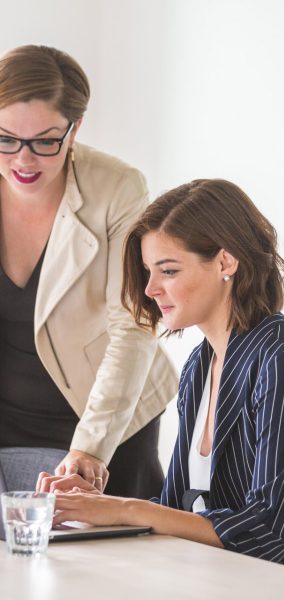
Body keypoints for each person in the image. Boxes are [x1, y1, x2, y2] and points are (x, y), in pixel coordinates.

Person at [43, 179, 284, 572]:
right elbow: (176, 509)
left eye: (168, 270)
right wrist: (96, 506)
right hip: (222, 579)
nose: (151, 289)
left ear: (226, 262)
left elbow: (265, 533)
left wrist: (122, 508)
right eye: (148, 271)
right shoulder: (199, 365)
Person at [0, 44, 178, 498]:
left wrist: (91, 448)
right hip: (9, 417)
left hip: (107, 420)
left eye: (45, 141)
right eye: (5, 139)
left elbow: (133, 322)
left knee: (110, 542)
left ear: (75, 128)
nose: (23, 160)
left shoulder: (117, 188)